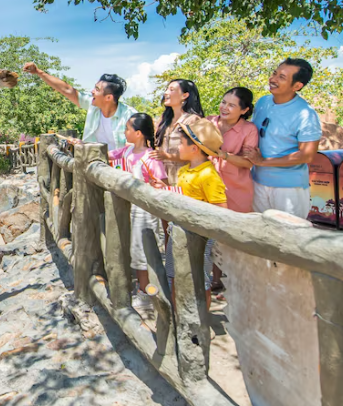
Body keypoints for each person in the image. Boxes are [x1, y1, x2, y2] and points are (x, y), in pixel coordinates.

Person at [245, 58, 322, 218]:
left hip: (288, 189)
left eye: (282, 77)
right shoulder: (263, 103)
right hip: (257, 181)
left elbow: (306, 155)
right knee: (258, 236)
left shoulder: (305, 114)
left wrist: (263, 162)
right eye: (274, 73)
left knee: (289, 237)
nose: (273, 79)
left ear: (297, 86)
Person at [165, 119, 227, 308]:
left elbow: (220, 209)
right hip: (179, 231)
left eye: (182, 143)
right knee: (174, 273)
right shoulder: (184, 170)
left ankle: (201, 321)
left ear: (195, 149)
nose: (178, 147)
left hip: (199, 236)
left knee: (200, 279)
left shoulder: (208, 175)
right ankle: (179, 316)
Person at [109, 114, 167, 309]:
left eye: (127, 129)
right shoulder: (126, 151)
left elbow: (161, 183)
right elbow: (109, 155)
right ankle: (143, 288)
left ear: (138, 133)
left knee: (144, 251)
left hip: (144, 210)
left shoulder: (150, 157)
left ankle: (146, 292)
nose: (124, 132)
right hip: (130, 207)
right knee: (135, 249)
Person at [206, 87, 259, 293]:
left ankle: (238, 283)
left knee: (234, 236)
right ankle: (216, 280)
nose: (224, 107)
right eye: (223, 102)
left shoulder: (249, 130)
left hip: (236, 189)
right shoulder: (209, 122)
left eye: (231, 105)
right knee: (212, 234)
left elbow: (248, 163)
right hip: (208, 186)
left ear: (244, 110)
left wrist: (221, 154)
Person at [22, 62, 134, 150]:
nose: (92, 91)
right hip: (95, 167)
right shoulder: (93, 105)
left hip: (121, 173)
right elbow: (67, 89)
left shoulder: (130, 116)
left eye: (97, 89)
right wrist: (38, 72)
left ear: (108, 98)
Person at [149, 79, 205, 184]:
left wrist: (167, 156)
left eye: (171, 90)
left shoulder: (193, 120)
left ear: (185, 95)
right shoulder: (163, 120)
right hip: (162, 180)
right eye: (166, 89)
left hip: (186, 181)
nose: (166, 93)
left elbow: (197, 155)